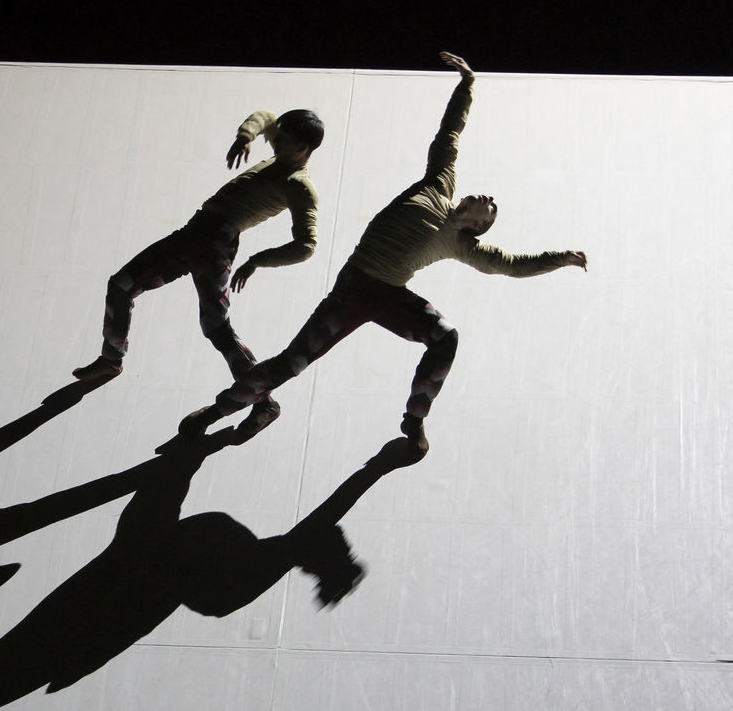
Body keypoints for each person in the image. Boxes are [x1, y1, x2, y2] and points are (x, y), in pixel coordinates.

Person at [177, 52, 587, 456]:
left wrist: (562, 258)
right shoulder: (439, 184)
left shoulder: (467, 246)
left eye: (492, 207)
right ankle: (215, 412)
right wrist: (467, 84)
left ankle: (414, 420)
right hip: (354, 288)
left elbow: (515, 266)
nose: (488, 197)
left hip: (391, 295)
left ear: (480, 226)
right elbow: (450, 133)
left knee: (446, 337)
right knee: (293, 361)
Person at [71, 107, 325, 382]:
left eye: (281, 141)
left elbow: (306, 246)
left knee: (216, 326)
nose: (273, 142)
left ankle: (259, 393)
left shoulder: (299, 185)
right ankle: (111, 359)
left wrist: (258, 260)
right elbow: (265, 117)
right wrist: (245, 136)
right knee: (122, 286)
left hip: (215, 245)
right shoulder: (284, 153)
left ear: (302, 148)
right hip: (194, 233)